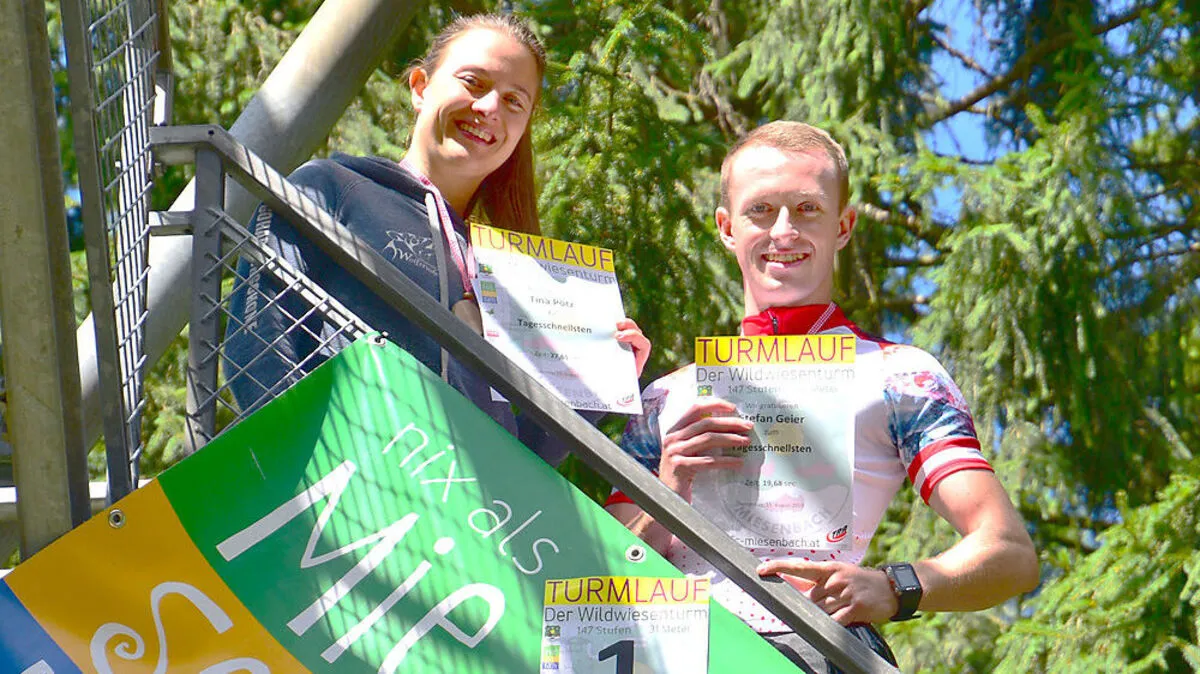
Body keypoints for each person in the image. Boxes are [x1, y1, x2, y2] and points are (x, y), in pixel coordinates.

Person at [605, 121, 1038, 671]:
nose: (783, 231)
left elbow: (1010, 553)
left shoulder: (899, 375)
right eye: (760, 210)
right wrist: (668, 487)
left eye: (807, 209)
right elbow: (607, 571)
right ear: (726, 227)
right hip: (670, 651)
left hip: (816, 648)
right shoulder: (667, 396)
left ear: (843, 225)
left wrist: (895, 587)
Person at [223, 13, 649, 465]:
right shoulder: (329, 187)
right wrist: (311, 476)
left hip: (464, 524)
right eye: (474, 82)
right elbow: (257, 341)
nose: (489, 109)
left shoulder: (517, 276)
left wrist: (598, 385)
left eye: (513, 102)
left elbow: (526, 457)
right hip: (349, 495)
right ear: (420, 86)